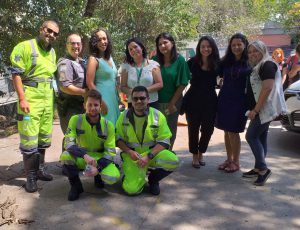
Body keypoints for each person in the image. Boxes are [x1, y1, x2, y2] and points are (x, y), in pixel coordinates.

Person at [10, 20, 59, 193]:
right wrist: (22, 98)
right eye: (49, 30)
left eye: (55, 33)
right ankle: (30, 176)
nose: (51, 35)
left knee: (43, 138)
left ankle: (40, 170)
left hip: (47, 98)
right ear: (41, 29)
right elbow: (15, 74)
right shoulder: (25, 47)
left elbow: (52, 78)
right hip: (30, 97)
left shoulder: (52, 52)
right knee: (30, 139)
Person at [116, 86, 179, 196]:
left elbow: (164, 140)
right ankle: (131, 175)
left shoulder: (157, 115)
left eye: (142, 98)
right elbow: (118, 139)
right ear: (131, 100)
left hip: (152, 154)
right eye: (135, 99)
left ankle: (153, 180)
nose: (139, 101)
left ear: (148, 99)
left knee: (172, 161)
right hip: (132, 156)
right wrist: (129, 151)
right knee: (131, 190)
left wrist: (148, 156)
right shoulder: (123, 116)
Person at [60, 89, 120, 201]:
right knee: (65, 156)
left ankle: (98, 177)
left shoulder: (108, 126)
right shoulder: (75, 120)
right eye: (90, 105)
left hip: (99, 158)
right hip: (83, 157)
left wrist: (98, 168)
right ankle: (76, 187)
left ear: (101, 106)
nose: (93, 108)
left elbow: (110, 152)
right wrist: (84, 155)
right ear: (84, 105)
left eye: (96, 105)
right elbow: (68, 143)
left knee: (112, 177)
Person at [243, 40, 287, 186]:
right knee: (261, 137)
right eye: (249, 52)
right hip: (263, 109)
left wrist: (255, 110)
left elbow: (267, 88)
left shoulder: (267, 64)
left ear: (263, 50)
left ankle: (263, 169)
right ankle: (257, 167)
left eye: (256, 50)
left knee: (251, 136)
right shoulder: (259, 66)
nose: (252, 54)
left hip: (264, 109)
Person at [215, 33, 252, 173]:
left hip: (240, 101)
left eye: (239, 45)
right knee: (226, 130)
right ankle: (229, 159)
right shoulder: (225, 62)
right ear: (230, 47)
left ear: (244, 45)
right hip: (224, 99)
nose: (236, 47)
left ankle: (236, 162)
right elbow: (215, 73)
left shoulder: (250, 62)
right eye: (233, 45)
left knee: (233, 132)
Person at [185, 36, 220, 168]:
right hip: (193, 99)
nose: (206, 49)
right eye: (203, 46)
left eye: (208, 46)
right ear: (199, 48)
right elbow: (182, 77)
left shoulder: (217, 63)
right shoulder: (192, 62)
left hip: (210, 100)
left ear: (213, 48)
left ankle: (201, 153)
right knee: (193, 129)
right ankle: (194, 155)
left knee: (208, 130)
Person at [153, 32, 190, 149]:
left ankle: (167, 155)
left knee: (169, 130)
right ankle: (154, 156)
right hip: (156, 102)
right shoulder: (154, 60)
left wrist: (172, 103)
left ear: (172, 43)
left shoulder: (180, 61)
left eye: (165, 42)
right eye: (160, 44)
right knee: (155, 130)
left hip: (172, 103)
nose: (162, 46)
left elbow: (183, 84)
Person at [86, 28, 120, 125]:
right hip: (103, 99)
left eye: (104, 39)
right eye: (99, 40)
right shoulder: (93, 59)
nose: (103, 42)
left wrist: (118, 98)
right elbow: (90, 83)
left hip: (113, 99)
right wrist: (101, 103)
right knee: (105, 130)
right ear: (94, 43)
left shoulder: (110, 58)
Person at [56, 33, 86, 134]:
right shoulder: (64, 63)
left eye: (78, 43)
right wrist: (86, 93)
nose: (76, 46)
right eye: (73, 43)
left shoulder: (81, 62)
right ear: (67, 45)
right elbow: (65, 87)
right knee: (72, 141)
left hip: (82, 108)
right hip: (70, 109)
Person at [120, 37, 163, 109]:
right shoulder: (125, 67)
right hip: (133, 103)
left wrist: (144, 91)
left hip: (151, 103)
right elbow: (123, 87)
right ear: (129, 53)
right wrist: (134, 92)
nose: (133, 50)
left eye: (135, 47)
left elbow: (160, 84)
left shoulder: (153, 65)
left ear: (142, 48)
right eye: (130, 49)